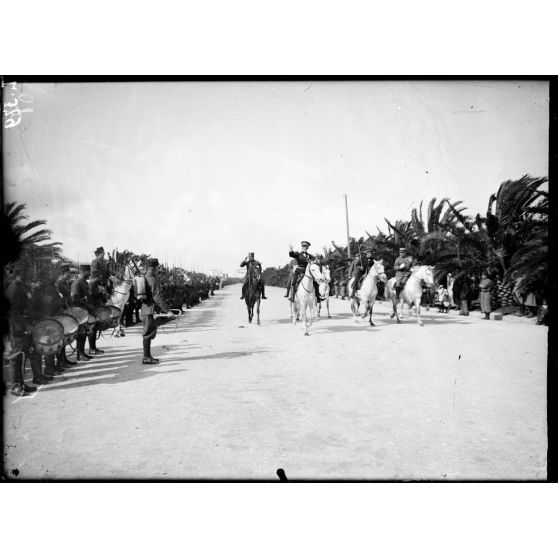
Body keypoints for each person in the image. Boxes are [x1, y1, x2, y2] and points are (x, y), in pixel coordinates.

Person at [5, 261, 46, 395]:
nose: (30, 275)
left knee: (23, 356)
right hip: (18, 329)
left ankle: (22, 384)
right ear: (20, 273)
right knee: (17, 357)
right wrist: (25, 327)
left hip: (25, 326)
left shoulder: (22, 286)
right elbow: (13, 312)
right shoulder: (14, 288)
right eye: (28, 273)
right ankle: (16, 386)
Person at [141, 258, 172, 365]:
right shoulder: (152, 279)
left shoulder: (145, 277)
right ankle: (146, 357)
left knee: (148, 333)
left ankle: (148, 356)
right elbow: (158, 297)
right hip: (150, 310)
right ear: (155, 268)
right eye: (158, 267)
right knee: (148, 334)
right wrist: (167, 311)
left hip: (146, 309)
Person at [71, 264, 96, 359]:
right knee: (81, 334)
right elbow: (75, 299)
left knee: (84, 333)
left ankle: (81, 352)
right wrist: (86, 305)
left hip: (85, 311)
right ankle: (80, 354)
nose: (90, 273)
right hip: (79, 312)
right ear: (82, 272)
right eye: (88, 271)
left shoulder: (84, 282)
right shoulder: (77, 283)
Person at [55, 262, 77, 368]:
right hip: (61, 313)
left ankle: (64, 359)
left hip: (66, 312)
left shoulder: (64, 283)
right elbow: (60, 299)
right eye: (69, 272)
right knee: (61, 339)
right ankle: (60, 361)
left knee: (65, 338)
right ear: (63, 273)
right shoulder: (58, 284)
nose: (70, 274)